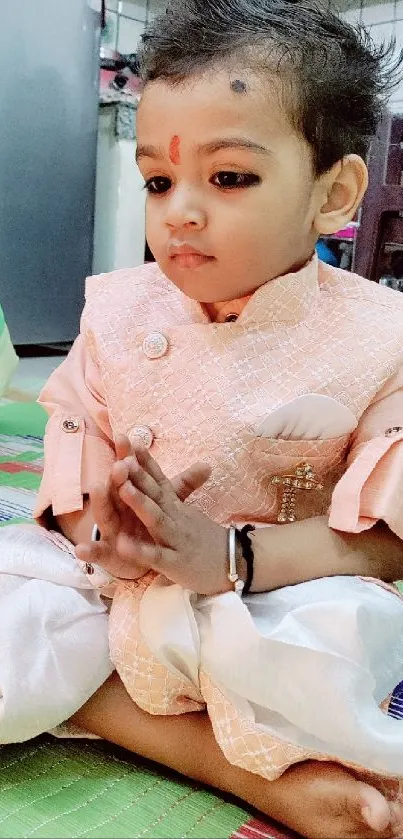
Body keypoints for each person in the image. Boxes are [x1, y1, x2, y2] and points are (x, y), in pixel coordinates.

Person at [1, 0, 403, 836]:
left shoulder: (379, 338)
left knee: (330, 652)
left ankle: (150, 716)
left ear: (334, 191)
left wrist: (226, 556)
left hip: (278, 588)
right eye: (158, 180)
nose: (177, 211)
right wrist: (94, 520)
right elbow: (77, 431)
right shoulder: (116, 312)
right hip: (112, 577)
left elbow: (384, 535)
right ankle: (200, 746)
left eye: (227, 178)